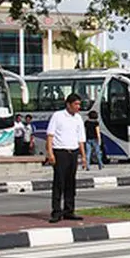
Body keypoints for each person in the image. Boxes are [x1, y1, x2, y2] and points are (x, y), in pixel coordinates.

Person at [46, 93, 87, 223]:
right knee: (59, 183)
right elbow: (50, 136)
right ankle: (56, 212)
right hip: (60, 152)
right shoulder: (58, 116)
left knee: (71, 183)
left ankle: (69, 210)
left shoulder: (78, 119)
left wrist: (84, 156)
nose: (78, 107)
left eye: (79, 104)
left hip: (73, 152)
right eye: (76, 104)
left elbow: (81, 139)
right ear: (68, 104)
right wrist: (50, 153)